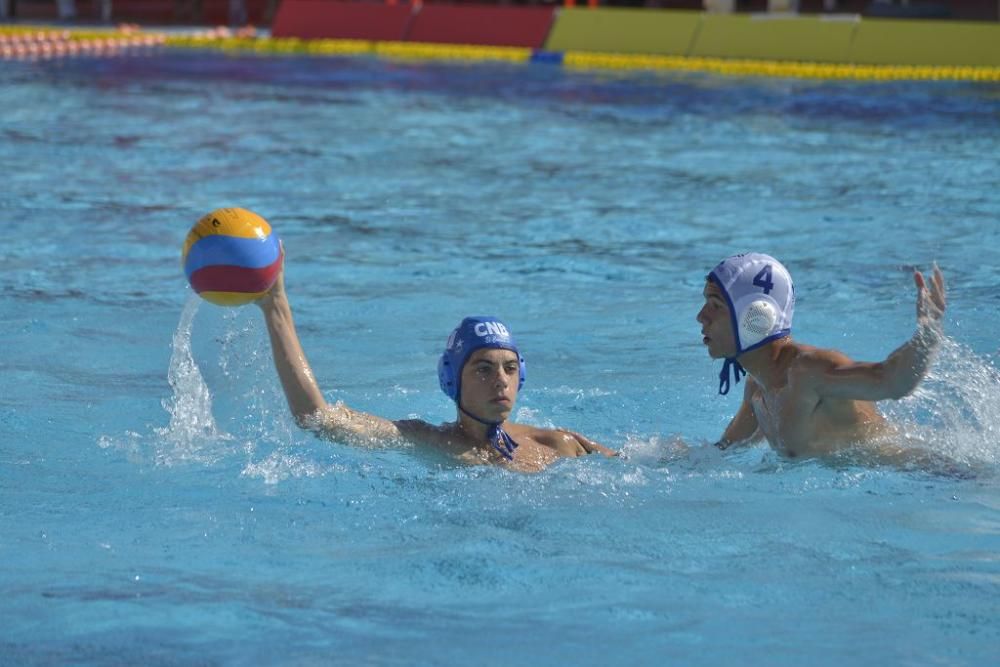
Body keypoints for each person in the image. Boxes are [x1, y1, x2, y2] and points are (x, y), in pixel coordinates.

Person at [256, 254, 616, 473]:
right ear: (452, 379)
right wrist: (277, 306)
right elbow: (317, 419)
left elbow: (645, 462)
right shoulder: (426, 441)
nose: (501, 380)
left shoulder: (558, 444)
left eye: (509, 368)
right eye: (483, 368)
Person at [697, 252, 946, 459]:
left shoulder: (808, 373)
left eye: (715, 305)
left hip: (935, 477)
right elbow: (722, 452)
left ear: (756, 317)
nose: (701, 316)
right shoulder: (757, 389)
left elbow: (893, 381)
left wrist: (927, 334)